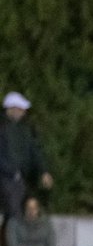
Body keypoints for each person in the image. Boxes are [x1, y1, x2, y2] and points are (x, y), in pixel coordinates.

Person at [0, 92, 53, 220]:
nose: (23, 112)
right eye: (20, 109)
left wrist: (43, 171)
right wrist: (11, 171)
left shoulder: (24, 129)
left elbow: (34, 150)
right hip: (7, 178)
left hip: (21, 179)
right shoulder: (2, 127)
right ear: (11, 109)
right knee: (14, 214)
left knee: (18, 213)